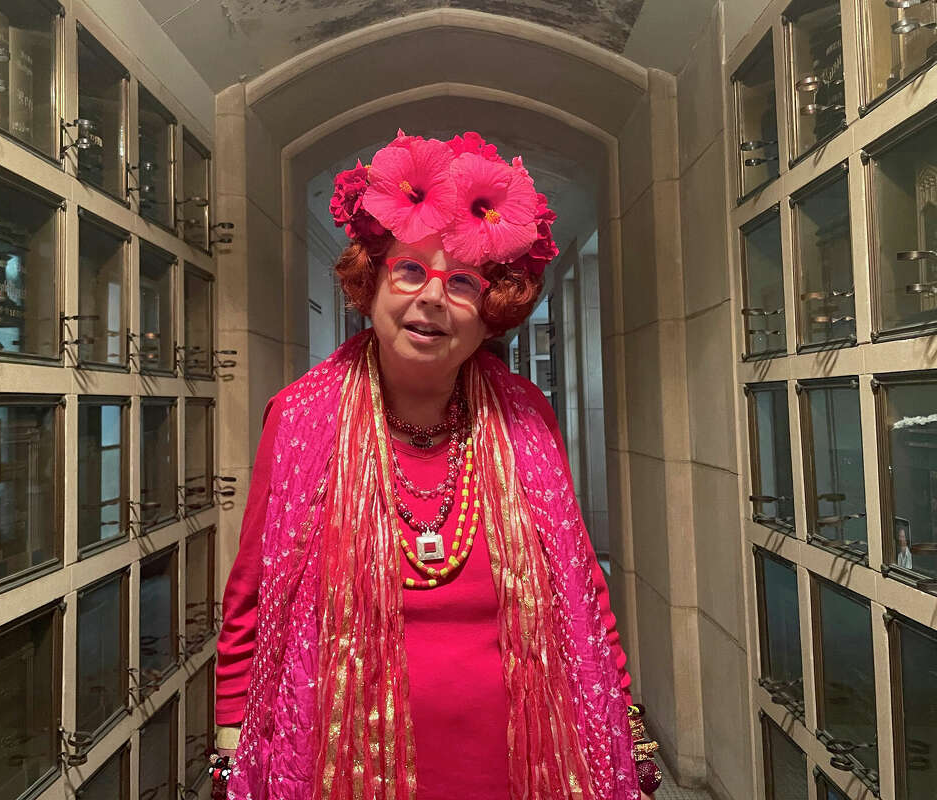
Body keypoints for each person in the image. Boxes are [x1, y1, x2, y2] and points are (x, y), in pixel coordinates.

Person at [209, 129, 661, 799]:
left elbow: (579, 580)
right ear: (373, 283)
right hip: (345, 759)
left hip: (521, 756)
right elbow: (252, 591)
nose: (430, 299)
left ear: (491, 310)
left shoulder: (526, 414)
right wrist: (230, 736)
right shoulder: (301, 418)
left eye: (463, 283)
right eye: (411, 270)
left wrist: (621, 708)